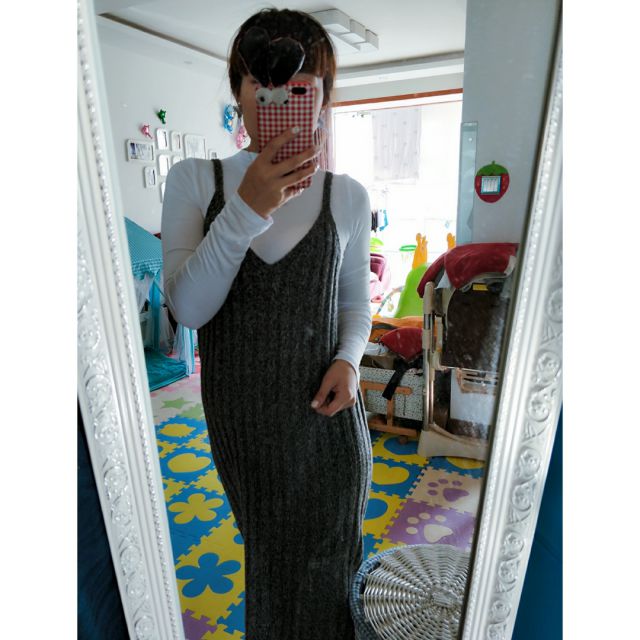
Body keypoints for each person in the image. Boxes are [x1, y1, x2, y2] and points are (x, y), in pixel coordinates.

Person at [161, 8, 373, 639]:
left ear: (325, 98)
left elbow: (355, 304)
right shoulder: (195, 181)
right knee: (273, 569)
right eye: (264, 85)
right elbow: (188, 309)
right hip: (245, 428)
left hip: (330, 426)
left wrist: (350, 361)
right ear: (239, 91)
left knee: (332, 571)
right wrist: (247, 208)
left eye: (300, 88)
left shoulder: (347, 195)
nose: (280, 101)